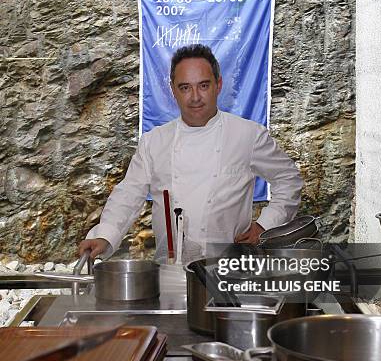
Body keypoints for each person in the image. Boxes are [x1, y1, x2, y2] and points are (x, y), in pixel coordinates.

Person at [79, 45, 303, 262]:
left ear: (218, 84)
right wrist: (105, 235)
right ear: (173, 90)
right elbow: (128, 194)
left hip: (229, 269)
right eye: (185, 87)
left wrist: (265, 225)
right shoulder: (153, 142)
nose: (195, 97)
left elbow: (288, 179)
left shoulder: (248, 135)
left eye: (203, 86)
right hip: (170, 270)